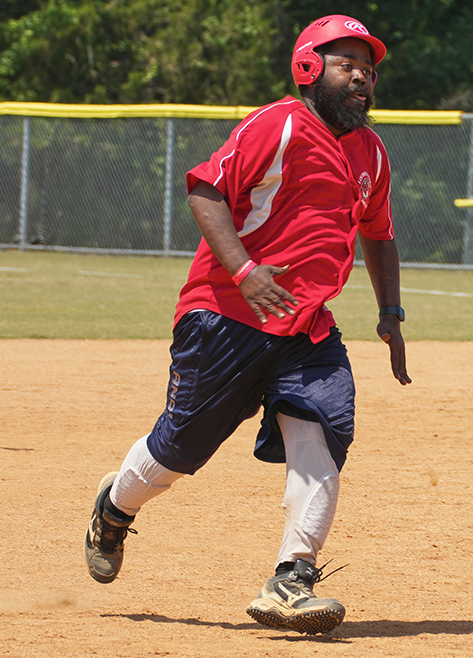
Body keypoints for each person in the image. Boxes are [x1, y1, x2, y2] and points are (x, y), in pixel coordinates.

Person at [84, 13, 411, 636]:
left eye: (369, 70)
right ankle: (116, 506)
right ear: (310, 69)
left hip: (307, 328)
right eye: (349, 66)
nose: (363, 79)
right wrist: (244, 270)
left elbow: (379, 232)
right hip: (225, 316)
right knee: (178, 453)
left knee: (321, 430)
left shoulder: (371, 151)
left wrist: (390, 313)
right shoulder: (278, 124)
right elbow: (206, 188)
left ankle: (293, 578)